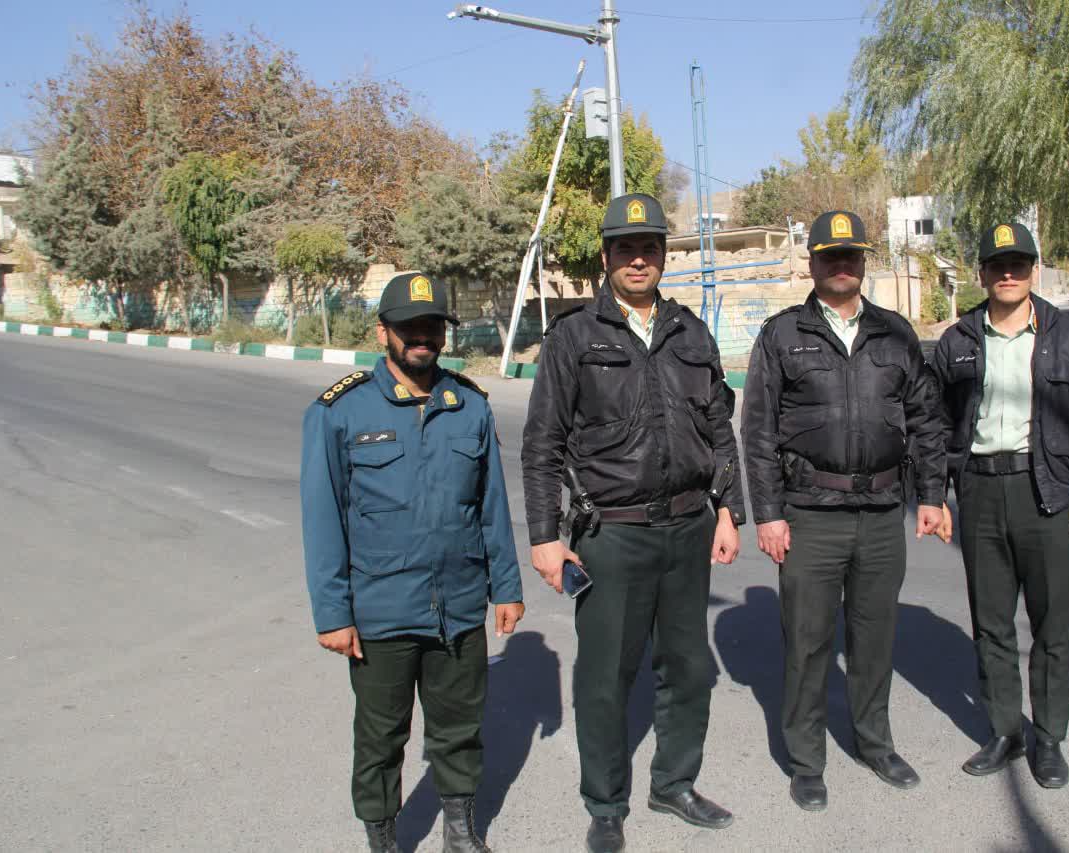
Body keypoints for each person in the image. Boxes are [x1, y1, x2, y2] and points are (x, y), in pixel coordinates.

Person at [521, 193, 746, 853]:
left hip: (688, 527)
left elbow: (719, 428)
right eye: (626, 248)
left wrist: (728, 508)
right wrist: (544, 536)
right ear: (606, 256)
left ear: (664, 256)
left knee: (688, 668)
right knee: (605, 677)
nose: (639, 258)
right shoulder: (573, 336)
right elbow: (542, 443)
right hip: (611, 534)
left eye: (649, 247)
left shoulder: (690, 333)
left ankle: (674, 783)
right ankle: (605, 802)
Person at [300, 272, 524, 853]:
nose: (422, 337)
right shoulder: (340, 411)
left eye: (432, 326)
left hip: (459, 606)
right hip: (381, 610)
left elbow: (492, 507)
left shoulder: (468, 405)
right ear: (383, 332)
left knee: (460, 730)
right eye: (409, 327)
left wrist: (506, 587)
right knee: (380, 739)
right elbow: (322, 520)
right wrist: (333, 614)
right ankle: (383, 840)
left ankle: (460, 832)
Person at [741, 210, 946, 811]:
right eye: (830, 255)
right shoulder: (782, 334)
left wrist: (932, 494)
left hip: (882, 512)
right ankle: (807, 761)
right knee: (807, 644)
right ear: (812, 263)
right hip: (810, 514)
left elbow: (926, 418)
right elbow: (758, 431)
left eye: (850, 254)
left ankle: (875, 743)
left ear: (863, 262)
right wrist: (769, 514)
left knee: (874, 638)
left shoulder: (895, 333)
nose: (841, 264)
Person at [931, 222, 1069, 789]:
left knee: (1052, 625)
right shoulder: (958, 339)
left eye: (1018, 264)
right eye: (997, 265)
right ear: (982, 273)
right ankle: (1005, 732)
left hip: (1049, 493)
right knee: (990, 623)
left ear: (1034, 271)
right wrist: (935, 495)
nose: (1008, 274)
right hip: (980, 490)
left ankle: (1050, 739)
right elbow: (935, 424)